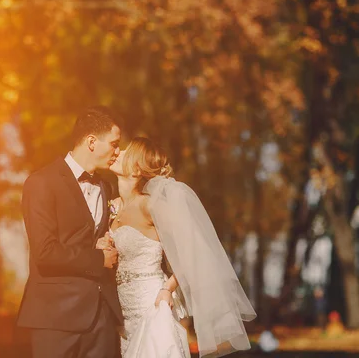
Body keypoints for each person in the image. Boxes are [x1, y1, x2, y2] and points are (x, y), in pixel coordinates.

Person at [101, 137, 256, 358]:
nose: (118, 152)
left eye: (126, 152)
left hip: (151, 305)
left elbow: (190, 254)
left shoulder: (150, 206)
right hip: (121, 313)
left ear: (136, 170)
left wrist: (168, 289)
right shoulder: (112, 206)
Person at [17, 106, 124, 358]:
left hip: (102, 319)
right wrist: (99, 259)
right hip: (56, 317)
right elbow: (45, 252)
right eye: (114, 144)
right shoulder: (41, 183)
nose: (117, 152)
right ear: (91, 142)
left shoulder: (106, 187)